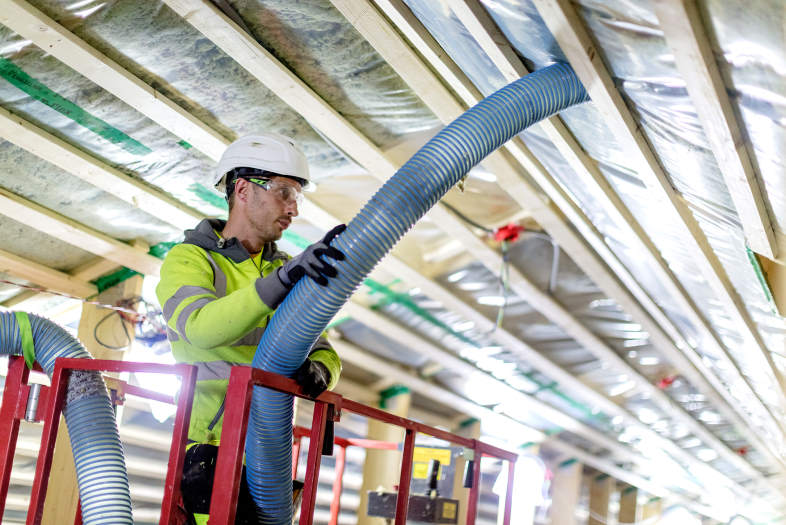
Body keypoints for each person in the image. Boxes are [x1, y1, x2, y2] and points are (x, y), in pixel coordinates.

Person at [156, 133, 345, 524]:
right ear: (242, 189)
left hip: (270, 448)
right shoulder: (190, 259)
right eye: (283, 192)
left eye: (297, 197)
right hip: (210, 450)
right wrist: (282, 281)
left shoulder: (286, 268)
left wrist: (321, 371)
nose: (293, 208)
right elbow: (200, 327)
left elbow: (324, 349)